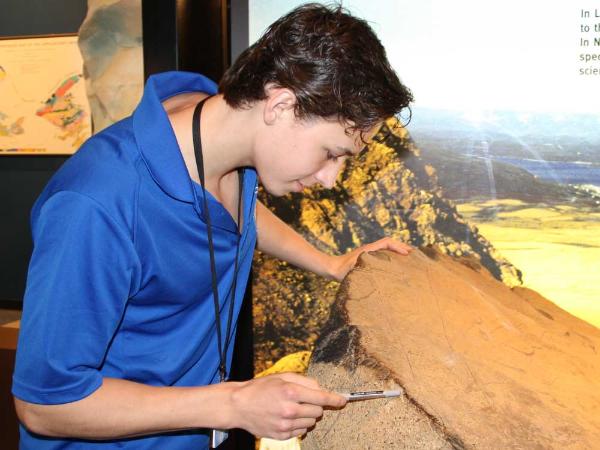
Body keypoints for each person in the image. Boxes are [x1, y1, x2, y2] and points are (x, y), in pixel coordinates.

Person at [12, 3, 413, 449]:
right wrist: (231, 404)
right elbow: (45, 404)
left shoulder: (222, 143)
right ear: (280, 105)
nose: (329, 177)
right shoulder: (96, 203)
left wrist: (330, 264)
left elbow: (236, 214)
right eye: (331, 152)